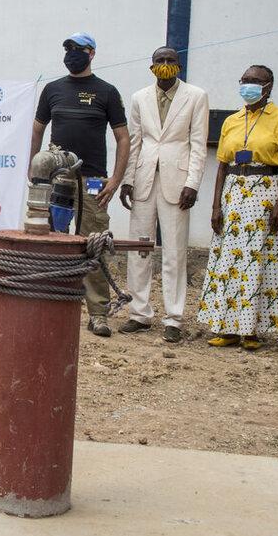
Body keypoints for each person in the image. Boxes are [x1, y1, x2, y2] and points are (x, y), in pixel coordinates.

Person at [30, 32, 130, 338]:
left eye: (77, 49)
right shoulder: (52, 90)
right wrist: (34, 166)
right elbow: (37, 129)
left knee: (93, 244)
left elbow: (123, 138)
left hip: (93, 181)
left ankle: (98, 314)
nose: (71, 53)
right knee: (50, 241)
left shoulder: (107, 92)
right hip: (56, 179)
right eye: (67, 48)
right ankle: (48, 304)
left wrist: (115, 180)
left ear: (91, 53)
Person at [197, 65, 278, 350]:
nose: (248, 85)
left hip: (264, 193)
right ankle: (227, 328)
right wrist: (215, 206)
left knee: (256, 260)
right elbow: (221, 165)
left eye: (255, 81)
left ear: (268, 86)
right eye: (245, 80)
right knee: (228, 261)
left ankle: (250, 330)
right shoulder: (232, 120)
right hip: (232, 193)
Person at [118, 47, 209, 343]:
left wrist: (193, 183)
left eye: (170, 60)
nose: (165, 64)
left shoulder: (196, 96)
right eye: (160, 60)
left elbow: (198, 144)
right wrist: (127, 180)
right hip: (144, 179)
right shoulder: (139, 97)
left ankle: (173, 318)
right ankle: (139, 313)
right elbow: (135, 141)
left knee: (174, 251)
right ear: (152, 66)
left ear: (178, 65)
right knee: (140, 248)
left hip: (178, 182)